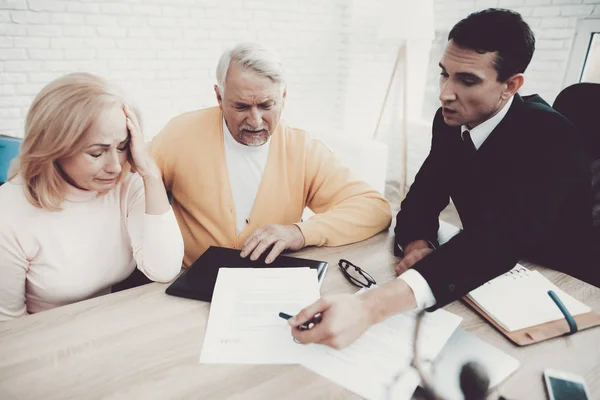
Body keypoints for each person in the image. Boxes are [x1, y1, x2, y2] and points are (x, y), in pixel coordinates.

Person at [290, 8, 593, 349]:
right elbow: (421, 198)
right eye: (444, 74)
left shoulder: (550, 135)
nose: (445, 93)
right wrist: (420, 244)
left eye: (466, 80)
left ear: (511, 85)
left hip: (562, 286)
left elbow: (499, 239)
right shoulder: (449, 121)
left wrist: (369, 307)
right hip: (482, 273)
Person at [150, 42, 392, 267]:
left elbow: (374, 208)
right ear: (219, 98)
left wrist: (300, 232)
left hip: (268, 281)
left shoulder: (302, 150)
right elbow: (131, 184)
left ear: (283, 98)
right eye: (241, 106)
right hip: (186, 282)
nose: (255, 121)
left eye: (267, 105)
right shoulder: (180, 134)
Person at [0, 73, 184, 321]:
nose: (115, 167)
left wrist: (150, 174)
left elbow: (164, 269)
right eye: (97, 153)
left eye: (121, 147)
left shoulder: (128, 184)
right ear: (53, 149)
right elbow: (8, 324)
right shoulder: (10, 210)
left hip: (106, 326)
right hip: (43, 340)